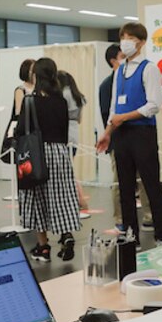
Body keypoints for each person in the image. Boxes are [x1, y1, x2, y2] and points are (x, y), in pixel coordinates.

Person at [96, 22, 162, 246]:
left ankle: (161, 236)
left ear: (141, 42)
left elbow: (154, 105)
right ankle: (130, 236)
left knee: (151, 185)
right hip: (121, 134)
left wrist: (125, 117)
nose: (125, 41)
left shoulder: (149, 68)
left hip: (143, 132)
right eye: (123, 37)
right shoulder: (120, 71)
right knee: (125, 187)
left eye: (130, 37)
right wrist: (108, 131)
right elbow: (113, 108)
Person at [18, 58, 81, 262]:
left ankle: (43, 246)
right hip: (60, 153)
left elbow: (21, 130)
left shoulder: (30, 101)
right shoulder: (61, 101)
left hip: (37, 154)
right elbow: (63, 131)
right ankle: (66, 236)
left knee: (37, 198)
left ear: (35, 76)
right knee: (61, 197)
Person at [98, 44, 142, 230]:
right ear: (113, 61)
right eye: (122, 56)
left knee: (143, 181)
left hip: (138, 138)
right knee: (120, 182)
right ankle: (121, 218)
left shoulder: (134, 78)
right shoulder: (107, 85)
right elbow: (108, 113)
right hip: (118, 139)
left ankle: (148, 216)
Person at [59, 70, 91, 218]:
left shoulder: (62, 95)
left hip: (63, 132)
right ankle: (79, 200)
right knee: (70, 167)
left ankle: (80, 200)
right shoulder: (78, 95)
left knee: (66, 170)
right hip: (74, 132)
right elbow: (79, 119)